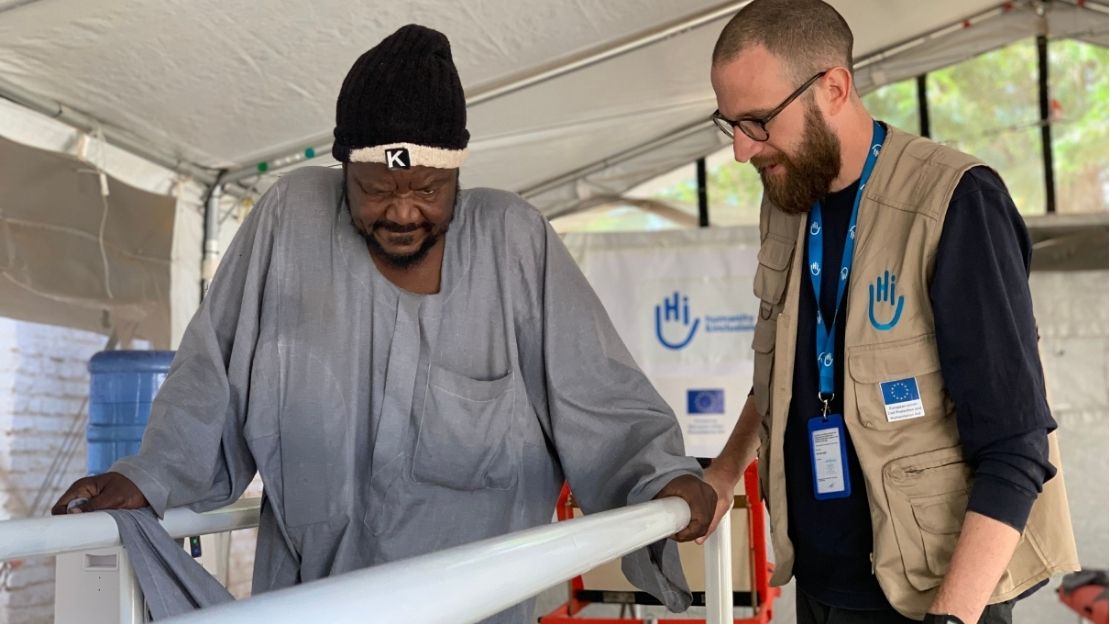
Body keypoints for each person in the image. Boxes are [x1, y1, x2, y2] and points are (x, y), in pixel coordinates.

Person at [51, 24, 715, 622]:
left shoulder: (514, 242)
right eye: (375, 189)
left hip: (473, 610)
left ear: (458, 172)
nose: (402, 212)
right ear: (344, 167)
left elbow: (600, 397)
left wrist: (662, 482)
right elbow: (211, 379)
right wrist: (149, 476)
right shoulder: (290, 223)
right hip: (310, 604)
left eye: (427, 190)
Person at [696, 2, 1079, 623]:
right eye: (730, 124)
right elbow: (781, 378)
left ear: (833, 88)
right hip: (819, 585)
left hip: (929, 599)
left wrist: (951, 617)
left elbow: (1017, 444)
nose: (742, 151)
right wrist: (725, 470)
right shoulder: (789, 198)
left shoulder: (955, 202)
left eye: (759, 122)